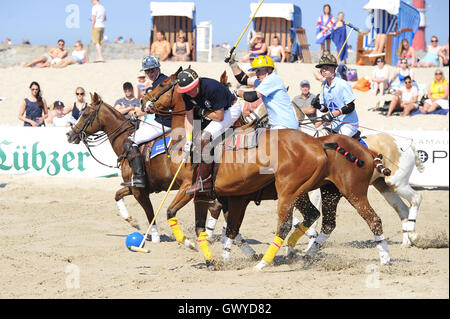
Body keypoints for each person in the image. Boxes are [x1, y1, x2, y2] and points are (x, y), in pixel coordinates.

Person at [177, 68, 243, 195]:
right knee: (195, 137)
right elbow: (189, 116)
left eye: (190, 89)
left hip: (230, 109)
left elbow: (219, 117)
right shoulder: (186, 94)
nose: (189, 93)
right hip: (211, 111)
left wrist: (202, 112)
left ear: (197, 83)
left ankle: (205, 181)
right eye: (185, 91)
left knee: (204, 136)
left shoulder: (212, 88)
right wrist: (189, 139)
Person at [123, 56, 172, 188]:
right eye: (147, 72)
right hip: (165, 120)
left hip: (163, 123)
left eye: (152, 70)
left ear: (158, 68)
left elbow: (157, 106)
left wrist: (143, 111)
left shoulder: (160, 84)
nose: (150, 74)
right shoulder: (162, 81)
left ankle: (139, 177)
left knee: (130, 141)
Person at [311, 52, 365, 146]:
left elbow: (350, 106)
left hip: (348, 124)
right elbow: (326, 108)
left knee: (338, 145)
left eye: (327, 67)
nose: (324, 70)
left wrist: (333, 114)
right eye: (322, 68)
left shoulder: (342, 84)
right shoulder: (324, 86)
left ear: (334, 68)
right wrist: (319, 106)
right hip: (334, 124)